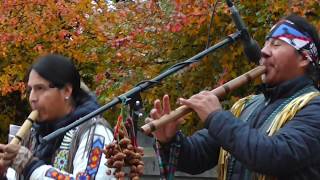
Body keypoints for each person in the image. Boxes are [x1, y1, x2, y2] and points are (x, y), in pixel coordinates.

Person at [149, 14, 320, 180]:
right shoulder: (247, 106)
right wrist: (169, 141)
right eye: (266, 43)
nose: (263, 51)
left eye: (276, 45)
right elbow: (196, 157)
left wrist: (215, 117)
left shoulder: (315, 107)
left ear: (304, 58)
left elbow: (275, 156)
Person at [0, 54, 114, 179]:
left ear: (66, 91)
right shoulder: (31, 134)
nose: (32, 98)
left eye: (40, 88)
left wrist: (30, 167)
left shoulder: (95, 132)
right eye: (30, 90)